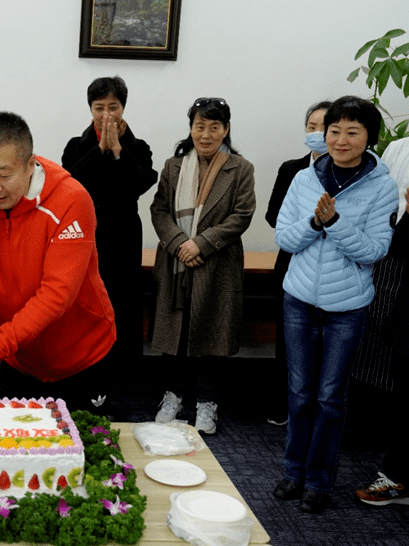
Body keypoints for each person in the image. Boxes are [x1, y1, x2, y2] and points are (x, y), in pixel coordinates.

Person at [273, 95, 398, 514]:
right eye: (334, 131)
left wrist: (335, 223)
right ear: (323, 134)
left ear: (369, 137)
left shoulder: (383, 185)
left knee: (330, 398)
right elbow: (285, 240)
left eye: (352, 131)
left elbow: (375, 251)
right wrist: (313, 222)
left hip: (347, 308)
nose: (341, 140)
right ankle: (293, 473)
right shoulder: (305, 178)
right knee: (299, 392)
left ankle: (319, 481)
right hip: (300, 301)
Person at [0, 112, 117, 414]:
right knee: (15, 450)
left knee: (81, 450)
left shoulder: (71, 200)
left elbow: (57, 294)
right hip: (20, 358)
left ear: (30, 164)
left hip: (82, 356)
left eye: (5, 175)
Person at [149, 97, 256, 434]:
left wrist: (202, 243)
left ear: (225, 130)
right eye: (199, 126)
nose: (206, 134)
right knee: (176, 336)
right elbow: (159, 210)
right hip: (177, 262)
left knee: (212, 336)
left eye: (214, 126)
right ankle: (173, 396)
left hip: (217, 266)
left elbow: (242, 215)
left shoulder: (241, 168)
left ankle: (208, 403)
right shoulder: (173, 166)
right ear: (191, 128)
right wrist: (181, 243)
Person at [61, 76, 157, 383]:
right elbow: (70, 183)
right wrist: (99, 149)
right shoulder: (76, 146)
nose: (106, 115)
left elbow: (143, 182)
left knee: (123, 300)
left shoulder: (139, 147)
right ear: (90, 109)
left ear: (123, 108)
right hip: (87, 234)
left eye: (113, 107)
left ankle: (125, 373)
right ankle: (84, 366)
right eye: (99, 107)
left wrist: (118, 151)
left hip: (124, 233)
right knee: (86, 298)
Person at [353, 139, 409, 507]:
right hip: (408, 286)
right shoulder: (401, 148)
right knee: (406, 389)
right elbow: (401, 242)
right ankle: (399, 477)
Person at [264, 100, 332, 426]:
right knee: (288, 340)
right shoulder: (291, 168)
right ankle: (282, 403)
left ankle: (315, 411)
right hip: (291, 263)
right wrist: (311, 224)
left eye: (324, 127)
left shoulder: (347, 174)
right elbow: (273, 216)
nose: (317, 134)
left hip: (330, 268)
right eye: (311, 127)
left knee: (324, 344)